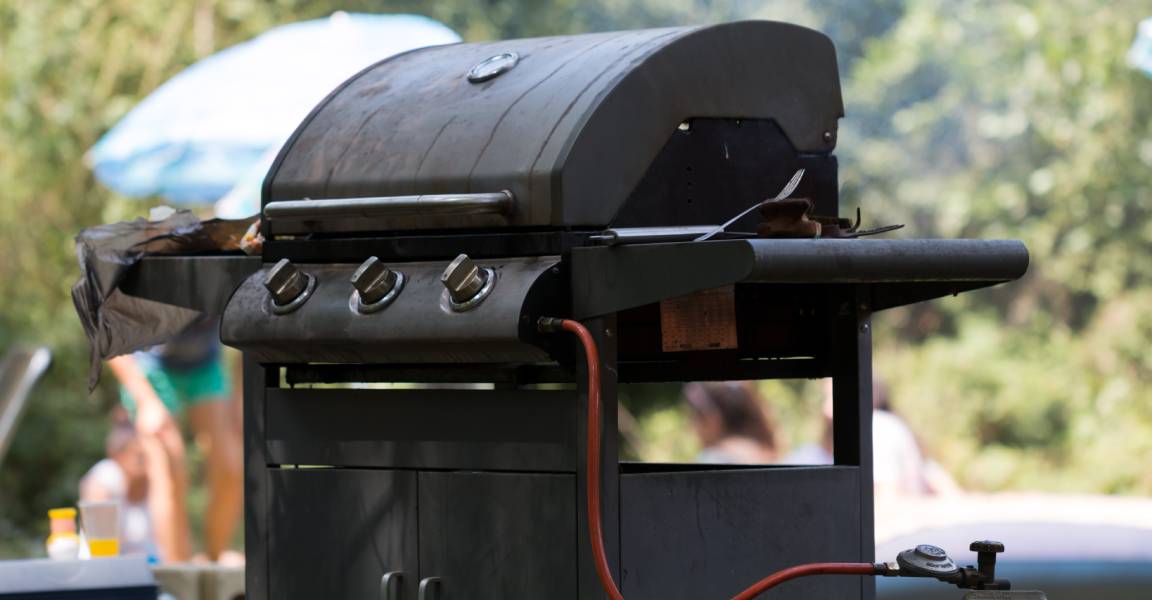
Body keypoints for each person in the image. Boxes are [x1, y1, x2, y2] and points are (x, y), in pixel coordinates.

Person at [106, 316, 242, 563]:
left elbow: (252, 323)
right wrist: (146, 402)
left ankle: (212, 566)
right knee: (169, 466)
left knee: (231, 466)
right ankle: (179, 578)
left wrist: (240, 399)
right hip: (150, 366)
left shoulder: (227, 277)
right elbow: (104, 326)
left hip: (205, 366)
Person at [784, 379, 960, 497]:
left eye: (833, 397)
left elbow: (886, 496)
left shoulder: (877, 427)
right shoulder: (814, 451)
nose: (826, 409)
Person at [79, 412, 157, 559]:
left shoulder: (155, 483)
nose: (144, 463)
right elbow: (100, 538)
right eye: (139, 457)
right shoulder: (105, 476)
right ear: (119, 456)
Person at [685, 381, 779, 464]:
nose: (692, 428)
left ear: (712, 419)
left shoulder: (715, 458)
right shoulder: (763, 451)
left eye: (697, 418)